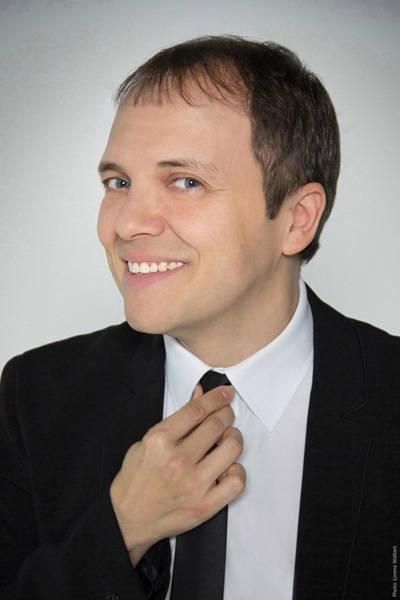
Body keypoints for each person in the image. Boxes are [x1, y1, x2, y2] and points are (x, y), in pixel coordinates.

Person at [0, 36, 398, 600]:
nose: (127, 222)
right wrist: (121, 530)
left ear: (296, 220)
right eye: (118, 183)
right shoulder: (34, 396)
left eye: (186, 181)